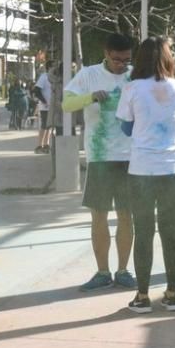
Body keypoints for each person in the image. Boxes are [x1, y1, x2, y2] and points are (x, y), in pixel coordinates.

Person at [116, 36, 175, 312]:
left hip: (142, 170)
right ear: (167, 58)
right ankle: (172, 294)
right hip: (173, 169)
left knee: (143, 232)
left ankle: (143, 296)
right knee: (170, 232)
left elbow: (125, 127)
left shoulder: (132, 88)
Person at [62, 34, 137, 292]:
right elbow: (66, 104)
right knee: (99, 215)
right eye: (116, 59)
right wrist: (90, 97)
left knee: (127, 215)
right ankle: (103, 271)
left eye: (126, 60)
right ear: (106, 53)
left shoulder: (135, 74)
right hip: (100, 157)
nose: (121, 65)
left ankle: (123, 270)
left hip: (130, 157)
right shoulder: (88, 74)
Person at [33, 59, 54, 153]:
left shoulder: (54, 77)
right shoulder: (44, 77)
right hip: (45, 106)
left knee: (49, 126)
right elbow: (37, 90)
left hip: (52, 106)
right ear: (50, 67)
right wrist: (44, 101)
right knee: (44, 125)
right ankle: (39, 145)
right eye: (54, 66)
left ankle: (46, 144)